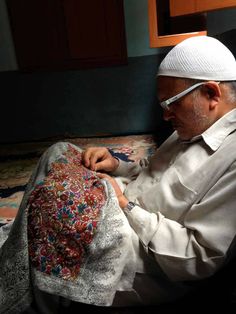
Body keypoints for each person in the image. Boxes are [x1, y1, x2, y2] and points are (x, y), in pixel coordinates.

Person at [1, 35, 236, 313]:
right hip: (124, 203)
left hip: (144, 252)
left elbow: (198, 256)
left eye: (172, 103)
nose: (166, 115)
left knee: (58, 206)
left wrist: (126, 206)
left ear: (211, 94)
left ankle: (25, 300)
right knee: (60, 153)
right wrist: (116, 165)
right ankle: (21, 252)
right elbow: (153, 174)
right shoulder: (193, 126)